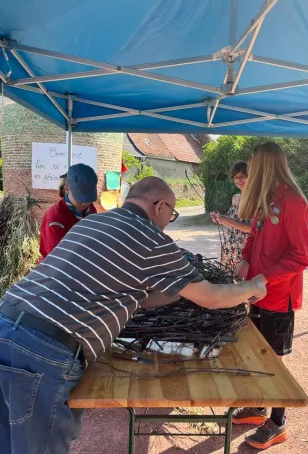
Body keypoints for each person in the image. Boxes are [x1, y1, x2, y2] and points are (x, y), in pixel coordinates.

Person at [0, 176, 267, 454]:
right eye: (172, 214)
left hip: (7, 323)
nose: (168, 222)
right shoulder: (150, 238)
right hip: (43, 350)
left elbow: (133, 298)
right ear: (160, 206)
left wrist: (180, 289)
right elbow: (212, 297)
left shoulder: (94, 222)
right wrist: (252, 287)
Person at [232, 142, 308, 450]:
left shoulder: (293, 202)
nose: (249, 173)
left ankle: (277, 423)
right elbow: (254, 235)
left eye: (252, 167)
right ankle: (258, 407)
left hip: (278, 296)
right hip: (257, 291)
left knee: (274, 361)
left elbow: (302, 255)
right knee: (256, 353)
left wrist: (266, 276)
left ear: (266, 166)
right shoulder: (266, 198)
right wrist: (245, 259)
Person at [39, 163, 98, 261]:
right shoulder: (55, 217)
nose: (85, 203)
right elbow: (56, 258)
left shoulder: (91, 209)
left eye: (88, 198)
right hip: (59, 269)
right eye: (80, 197)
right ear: (67, 189)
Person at [210, 161, 251, 272]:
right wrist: (220, 219)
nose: (238, 180)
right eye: (236, 177)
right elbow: (234, 223)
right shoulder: (235, 197)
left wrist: (228, 220)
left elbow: (251, 228)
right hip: (229, 248)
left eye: (242, 176)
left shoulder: (255, 199)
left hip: (244, 251)